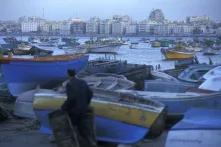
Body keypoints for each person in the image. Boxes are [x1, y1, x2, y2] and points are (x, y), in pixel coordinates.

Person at [61, 69, 97, 147]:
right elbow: (90, 93)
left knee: (72, 127)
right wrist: (86, 103)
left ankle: (75, 143)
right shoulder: (83, 82)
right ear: (75, 73)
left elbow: (71, 99)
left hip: (74, 111)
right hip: (83, 109)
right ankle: (90, 143)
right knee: (83, 128)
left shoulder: (69, 84)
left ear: (68, 75)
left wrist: (63, 107)